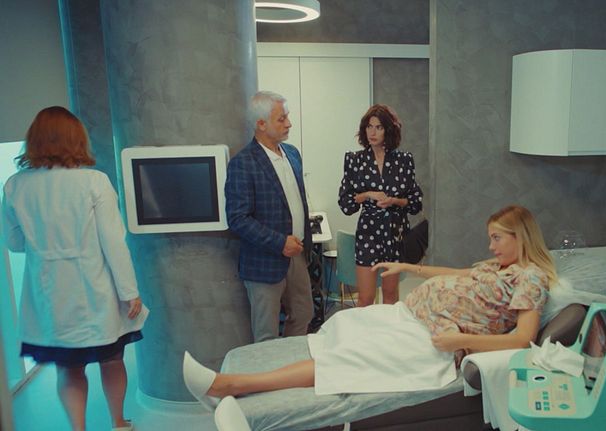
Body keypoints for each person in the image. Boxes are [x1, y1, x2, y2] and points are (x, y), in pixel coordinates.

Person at [182, 205, 557, 407]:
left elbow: (522, 339)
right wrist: (409, 267)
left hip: (434, 341)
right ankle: (240, 380)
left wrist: (461, 340)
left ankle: (232, 385)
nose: (491, 246)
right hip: (411, 317)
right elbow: (458, 273)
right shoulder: (499, 266)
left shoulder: (531, 278)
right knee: (346, 325)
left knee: (347, 357)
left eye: (497, 239)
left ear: (520, 237)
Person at [1, 106, 146, 431]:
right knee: (111, 358)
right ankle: (118, 423)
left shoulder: (15, 185)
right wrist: (130, 291)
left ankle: (77, 428)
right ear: (76, 139)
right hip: (95, 288)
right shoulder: (93, 181)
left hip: (49, 293)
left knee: (69, 367)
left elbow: (15, 243)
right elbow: (113, 242)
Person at [225, 91, 313, 343]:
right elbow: (238, 218)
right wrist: (280, 242)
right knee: (266, 334)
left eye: (287, 117)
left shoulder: (292, 154)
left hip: (297, 255)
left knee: (304, 315)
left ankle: (291, 364)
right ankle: (272, 370)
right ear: (261, 124)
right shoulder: (243, 163)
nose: (289, 124)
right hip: (263, 262)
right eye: (281, 119)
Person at [337, 104, 423, 306]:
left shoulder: (404, 160)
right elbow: (346, 203)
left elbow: (415, 202)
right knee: (365, 297)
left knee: (390, 296)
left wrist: (394, 201)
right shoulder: (355, 160)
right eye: (369, 127)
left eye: (378, 127)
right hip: (368, 232)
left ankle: (389, 328)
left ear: (388, 130)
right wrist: (367, 194)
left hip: (396, 232)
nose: (372, 132)